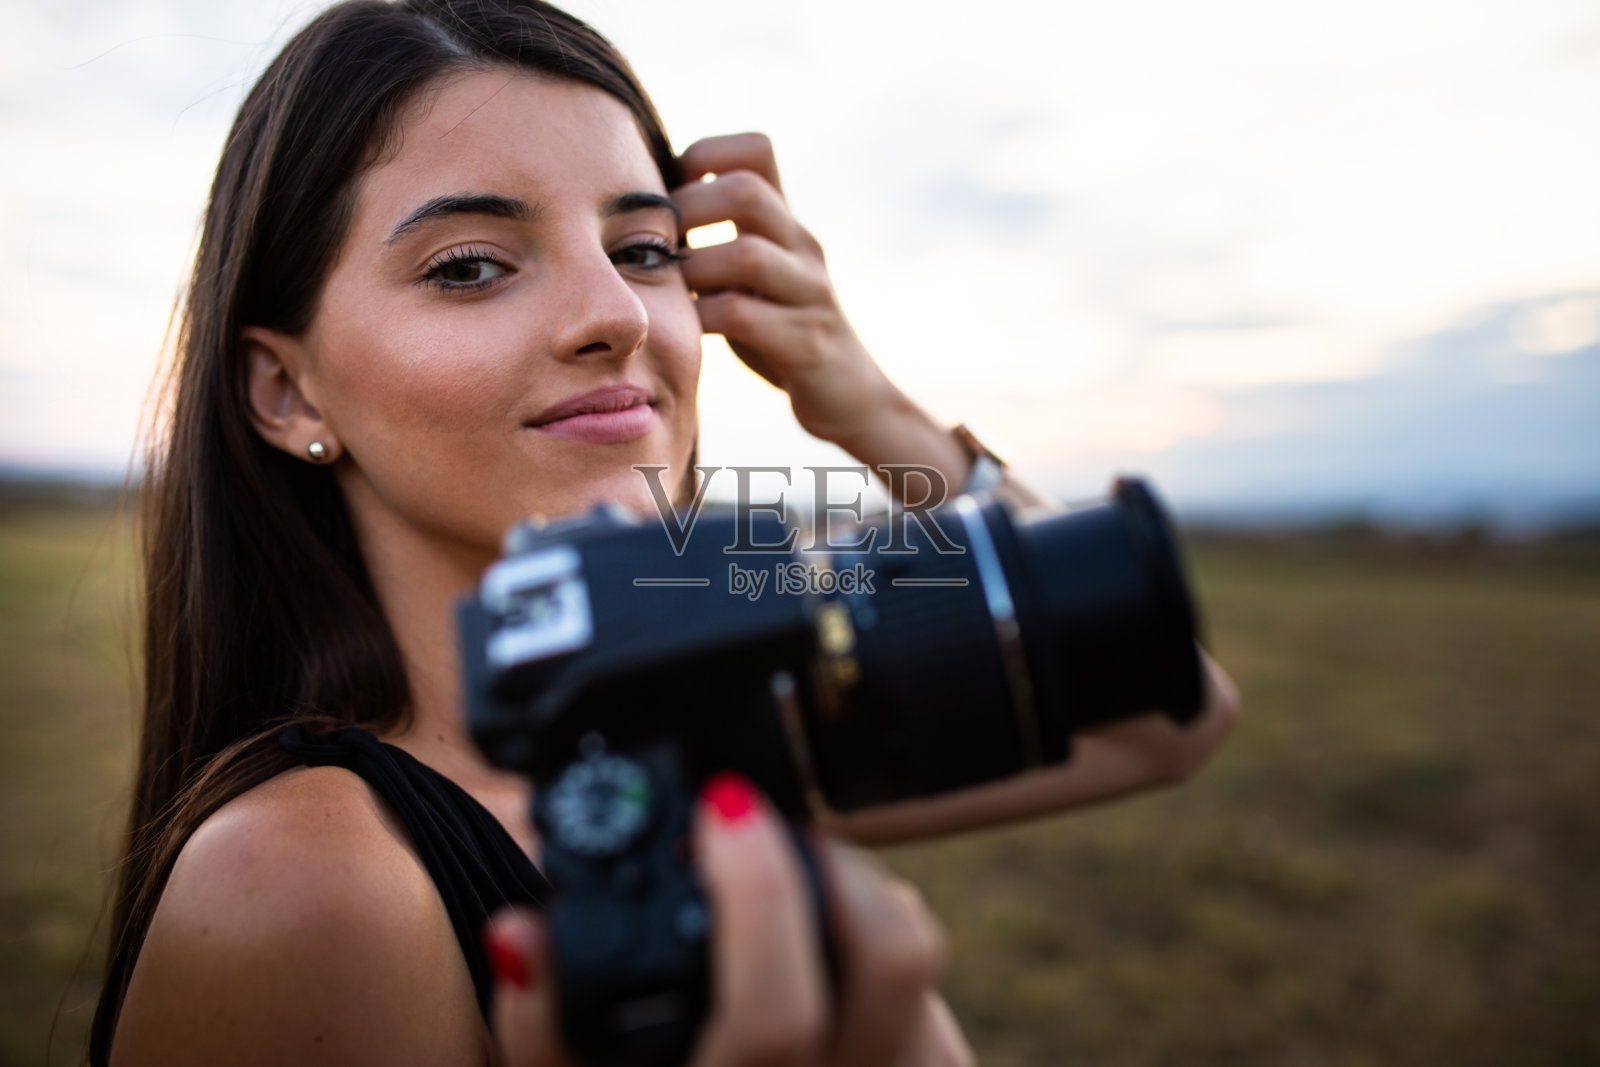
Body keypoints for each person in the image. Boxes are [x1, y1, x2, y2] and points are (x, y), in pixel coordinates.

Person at [92, 0, 1242, 1063]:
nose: (613, 314)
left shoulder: (674, 749)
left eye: (644, 251)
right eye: (471, 265)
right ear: (288, 391)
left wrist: (867, 405)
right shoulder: (306, 881)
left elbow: (1162, 704)